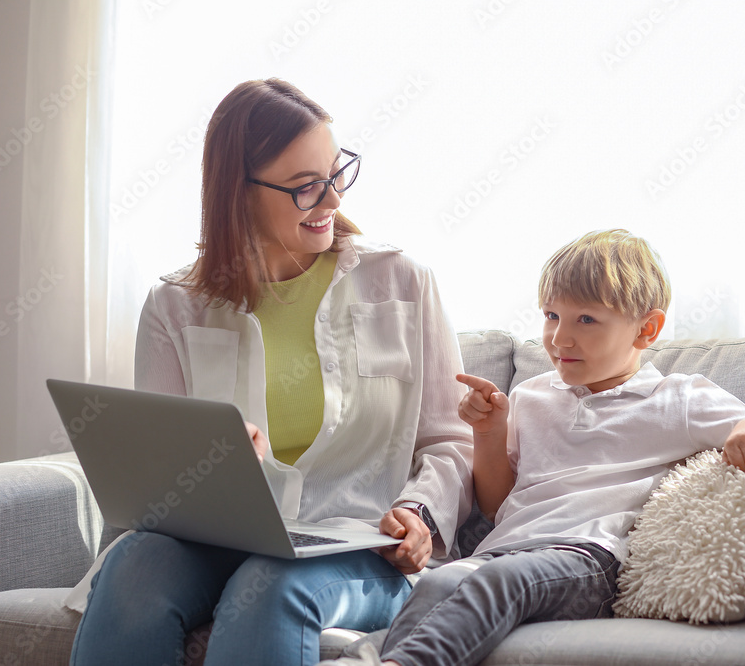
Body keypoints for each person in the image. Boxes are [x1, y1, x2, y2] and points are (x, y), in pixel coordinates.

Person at [69, 79, 474, 666]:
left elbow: (450, 440)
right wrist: (214, 461)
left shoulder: (402, 282)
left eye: (337, 175)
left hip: (360, 546)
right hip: (220, 540)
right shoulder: (175, 305)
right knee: (132, 569)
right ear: (239, 192)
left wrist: (419, 516)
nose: (332, 201)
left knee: (271, 587)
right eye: (307, 187)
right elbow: (155, 486)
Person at [320, 229, 745, 666]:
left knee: (495, 583)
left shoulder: (677, 398)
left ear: (646, 330)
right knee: (443, 580)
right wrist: (489, 432)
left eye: (586, 319)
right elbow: (495, 503)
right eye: (551, 315)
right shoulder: (531, 396)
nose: (558, 337)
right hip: (506, 547)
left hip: (590, 555)